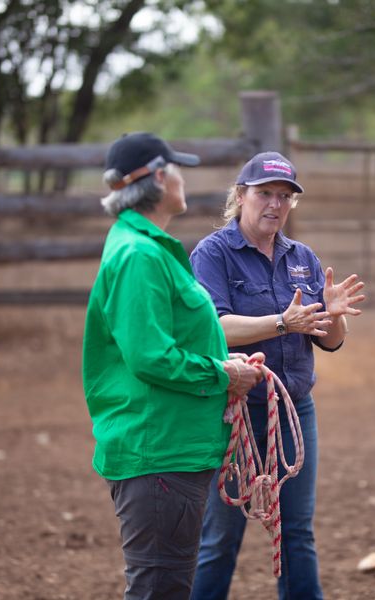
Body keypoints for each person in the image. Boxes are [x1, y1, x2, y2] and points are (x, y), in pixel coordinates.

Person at [82, 132, 263, 600]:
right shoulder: (139, 256)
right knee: (160, 588)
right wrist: (224, 374)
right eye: (177, 169)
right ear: (160, 177)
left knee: (163, 585)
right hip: (159, 449)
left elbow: (168, 340)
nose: (184, 179)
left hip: (168, 446)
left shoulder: (147, 248)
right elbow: (149, 357)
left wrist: (222, 360)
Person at [188, 151, 366, 600]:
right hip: (232, 412)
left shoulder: (301, 256)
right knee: (220, 536)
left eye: (284, 196)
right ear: (241, 196)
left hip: (293, 409)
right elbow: (216, 329)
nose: (275, 204)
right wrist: (283, 322)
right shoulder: (213, 254)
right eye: (264, 193)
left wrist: (335, 315)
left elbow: (328, 341)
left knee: (296, 530)